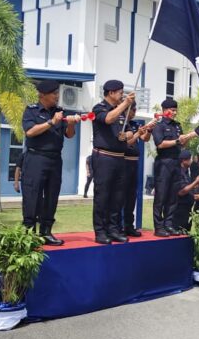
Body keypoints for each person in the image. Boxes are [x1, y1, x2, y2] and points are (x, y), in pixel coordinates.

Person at [21, 80, 80, 245]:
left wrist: (71, 124)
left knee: (52, 195)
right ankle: (29, 234)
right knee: (32, 195)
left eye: (57, 93)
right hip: (36, 158)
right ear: (43, 95)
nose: (57, 96)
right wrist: (51, 122)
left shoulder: (60, 111)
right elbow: (30, 132)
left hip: (55, 159)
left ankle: (46, 232)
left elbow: (69, 135)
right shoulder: (31, 110)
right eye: (54, 93)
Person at [92, 79, 135, 245]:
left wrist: (126, 135)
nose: (122, 96)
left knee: (118, 197)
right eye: (120, 93)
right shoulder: (99, 108)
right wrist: (125, 104)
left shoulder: (122, 112)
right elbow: (109, 119)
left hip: (120, 158)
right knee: (102, 196)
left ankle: (113, 229)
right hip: (104, 157)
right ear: (110, 93)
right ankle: (100, 231)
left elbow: (130, 132)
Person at [152, 98, 197, 237]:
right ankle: (159, 227)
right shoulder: (159, 125)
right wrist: (177, 141)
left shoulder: (177, 126)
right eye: (172, 110)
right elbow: (160, 144)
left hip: (176, 163)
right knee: (161, 196)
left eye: (175, 110)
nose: (174, 113)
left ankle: (168, 224)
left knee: (173, 196)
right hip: (164, 162)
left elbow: (181, 145)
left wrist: (187, 137)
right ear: (165, 110)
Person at [122, 102, 156, 237]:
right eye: (132, 109)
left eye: (136, 109)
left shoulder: (134, 124)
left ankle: (129, 225)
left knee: (132, 196)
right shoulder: (121, 124)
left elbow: (145, 139)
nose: (134, 112)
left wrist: (149, 130)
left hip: (134, 163)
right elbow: (125, 143)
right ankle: (117, 226)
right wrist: (137, 134)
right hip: (123, 162)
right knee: (121, 196)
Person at [173, 150, 199, 232]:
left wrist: (196, 183)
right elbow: (181, 192)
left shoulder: (187, 172)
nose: (191, 161)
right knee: (179, 232)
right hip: (179, 210)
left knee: (186, 232)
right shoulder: (179, 173)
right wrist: (196, 182)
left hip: (187, 209)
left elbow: (189, 187)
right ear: (184, 160)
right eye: (189, 159)